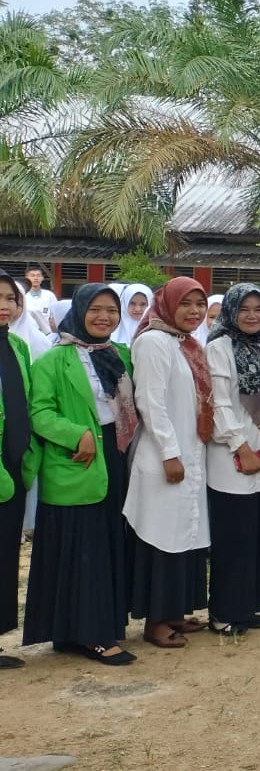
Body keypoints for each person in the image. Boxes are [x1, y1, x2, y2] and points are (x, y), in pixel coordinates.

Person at [22, 284, 139, 665]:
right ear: (80, 312)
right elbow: (39, 412)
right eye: (96, 309)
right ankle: (92, 635)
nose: (104, 317)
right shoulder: (53, 360)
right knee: (80, 548)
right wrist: (78, 434)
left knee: (106, 544)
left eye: (111, 310)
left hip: (115, 454)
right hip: (76, 457)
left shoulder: (119, 355)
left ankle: (80, 630)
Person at [123, 277, 212, 650]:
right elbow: (150, 403)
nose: (194, 312)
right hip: (164, 458)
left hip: (190, 454)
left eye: (199, 305)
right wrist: (170, 453)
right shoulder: (153, 342)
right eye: (185, 304)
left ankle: (174, 610)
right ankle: (155, 621)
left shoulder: (184, 343)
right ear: (168, 304)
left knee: (183, 537)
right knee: (161, 539)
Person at [203, 284, 260, 637]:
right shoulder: (218, 349)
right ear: (231, 312)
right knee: (233, 535)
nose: (253, 315)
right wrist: (240, 447)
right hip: (233, 452)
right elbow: (218, 403)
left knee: (259, 534)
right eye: (245, 309)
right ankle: (224, 612)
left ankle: (248, 605)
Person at [0, 271, 38, 669]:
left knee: (5, 554)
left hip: (13, 466)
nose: (4, 304)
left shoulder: (17, 347)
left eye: (10, 298)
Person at [22, 265, 57, 335]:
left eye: (38, 275)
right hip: (27, 332)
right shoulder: (22, 295)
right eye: (32, 276)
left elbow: (55, 316)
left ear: (42, 278)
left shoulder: (49, 295)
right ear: (26, 278)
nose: (35, 278)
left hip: (47, 334)